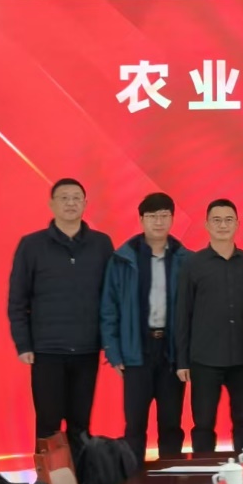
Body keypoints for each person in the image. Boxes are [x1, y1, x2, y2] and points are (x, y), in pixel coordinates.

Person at [8, 178, 114, 445]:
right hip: (47, 350)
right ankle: (49, 475)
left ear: (85, 204)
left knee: (81, 425)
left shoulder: (102, 244)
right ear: (51, 204)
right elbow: (18, 299)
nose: (70, 203)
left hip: (87, 349)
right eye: (64, 198)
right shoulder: (31, 245)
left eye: (76, 198)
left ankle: (81, 472)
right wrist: (23, 344)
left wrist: (111, 343)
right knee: (48, 425)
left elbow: (112, 296)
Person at [100, 192, 189, 460]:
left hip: (171, 352)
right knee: (135, 426)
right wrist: (114, 352)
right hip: (136, 350)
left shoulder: (185, 259)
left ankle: (170, 477)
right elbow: (109, 308)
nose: (158, 222)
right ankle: (133, 478)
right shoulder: (122, 259)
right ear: (141, 220)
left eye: (164, 216)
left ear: (172, 219)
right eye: (152, 216)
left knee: (171, 425)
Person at [175, 199, 243, 454]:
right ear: (207, 225)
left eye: (228, 220)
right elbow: (183, 313)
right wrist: (182, 360)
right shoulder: (193, 264)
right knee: (203, 424)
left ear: (237, 224)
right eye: (217, 220)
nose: (223, 225)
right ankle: (204, 471)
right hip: (205, 359)